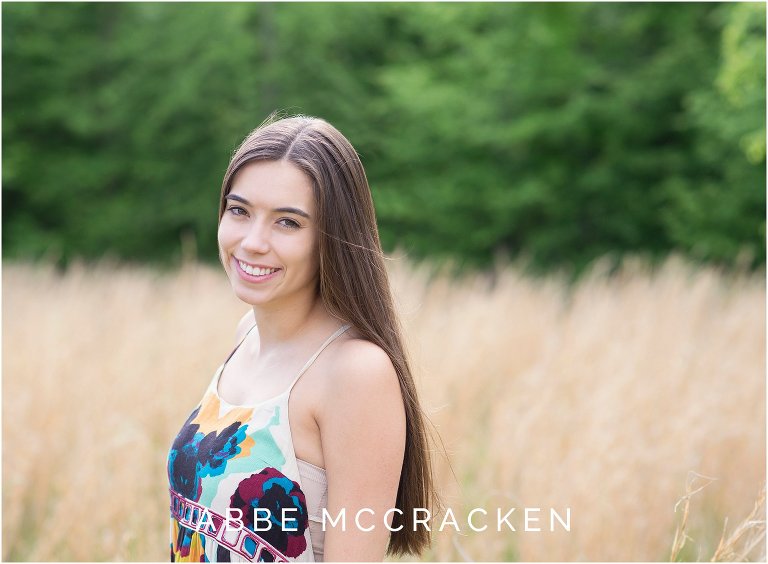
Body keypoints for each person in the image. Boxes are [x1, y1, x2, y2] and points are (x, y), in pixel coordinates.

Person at [167, 114, 439, 562]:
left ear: (333, 238)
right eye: (239, 211)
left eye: (287, 223)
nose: (253, 241)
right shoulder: (247, 334)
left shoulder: (355, 372)